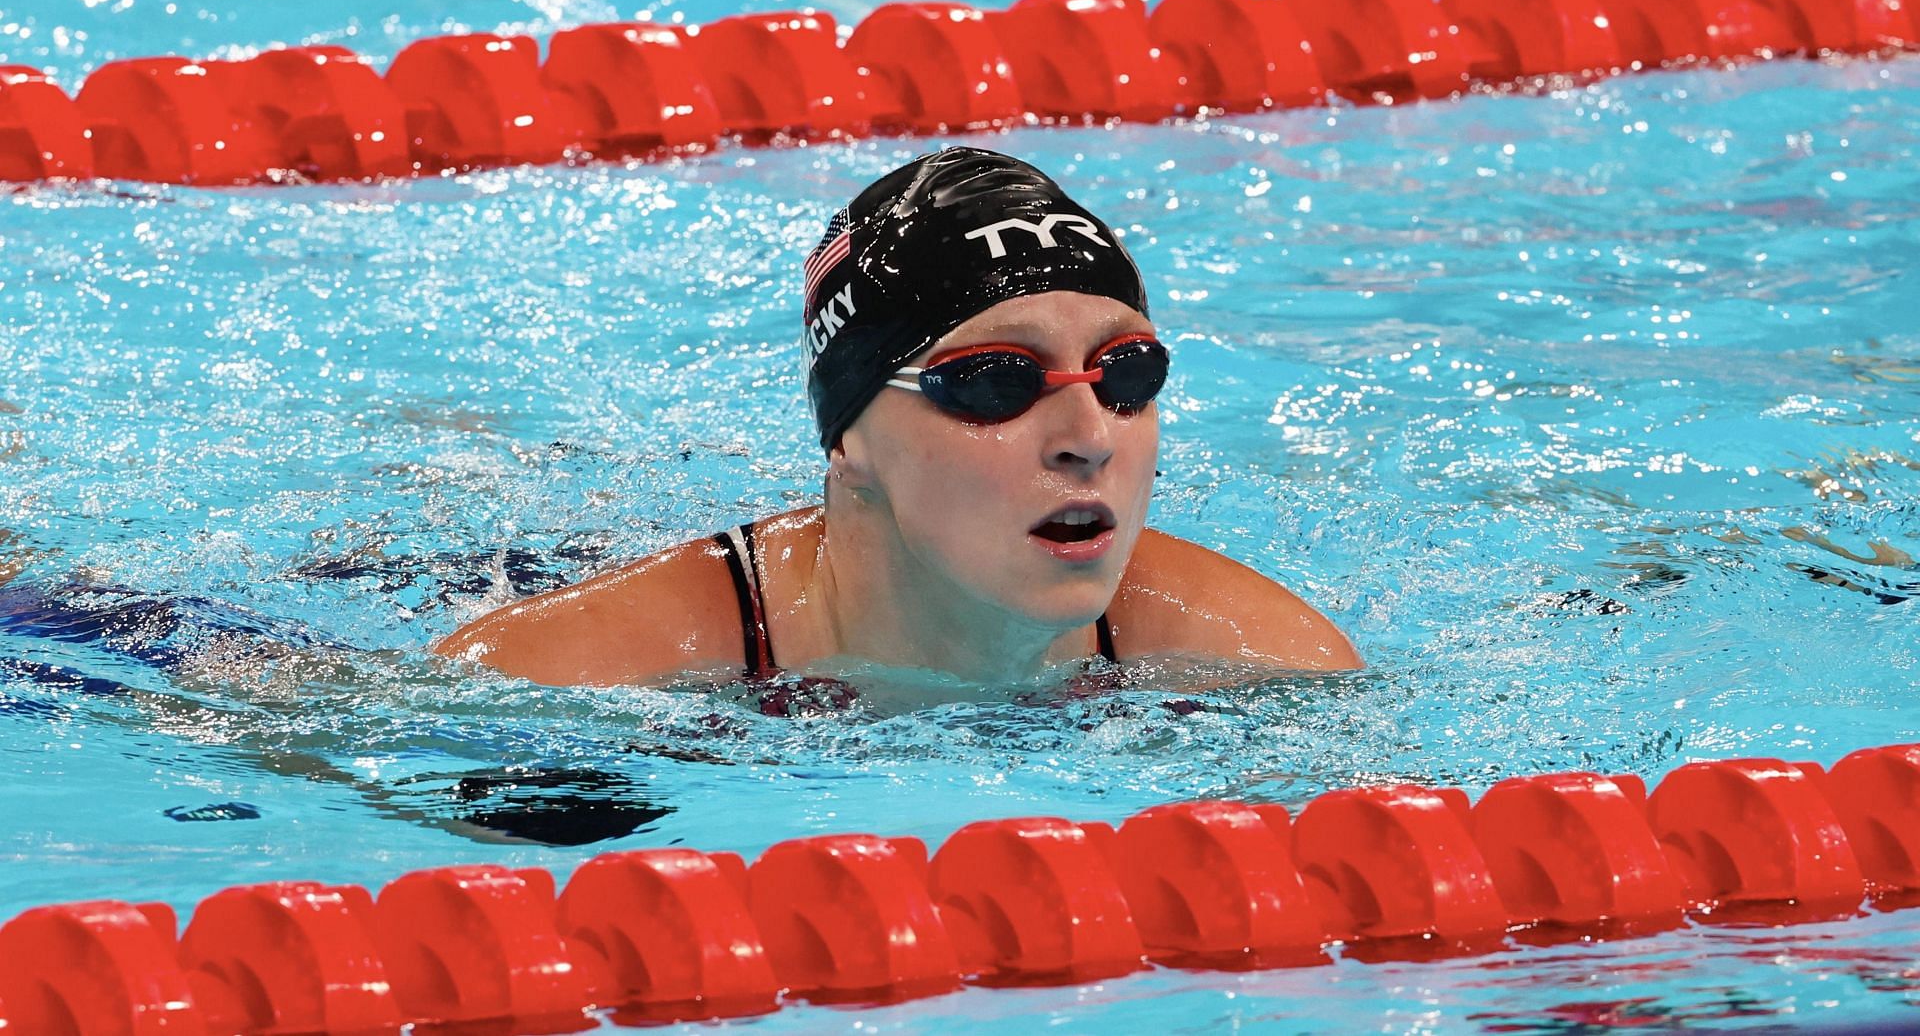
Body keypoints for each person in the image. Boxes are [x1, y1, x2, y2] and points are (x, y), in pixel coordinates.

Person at [433, 148, 1358, 699]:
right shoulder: (567, 668)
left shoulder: (1262, 658)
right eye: (997, 381)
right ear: (849, 438)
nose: (1090, 434)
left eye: (1127, 372)